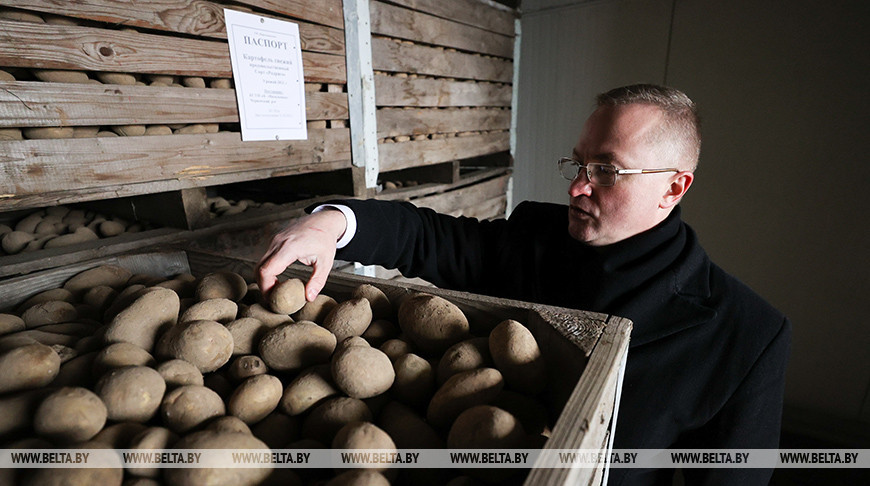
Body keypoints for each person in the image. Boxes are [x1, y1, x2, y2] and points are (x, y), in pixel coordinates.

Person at [257, 84, 791, 485]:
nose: (578, 187)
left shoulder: (747, 335)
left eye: (607, 170)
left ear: (674, 187)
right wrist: (333, 222)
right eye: (579, 163)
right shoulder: (535, 236)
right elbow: (429, 236)